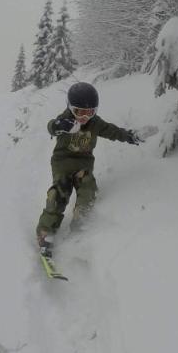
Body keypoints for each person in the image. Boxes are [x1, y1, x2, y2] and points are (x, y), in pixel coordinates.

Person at [36, 81, 141, 255]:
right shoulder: (66, 120)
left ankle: (81, 223)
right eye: (79, 112)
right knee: (60, 192)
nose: (84, 117)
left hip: (84, 164)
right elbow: (52, 126)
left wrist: (130, 136)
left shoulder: (95, 123)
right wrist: (58, 126)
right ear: (70, 108)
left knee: (88, 188)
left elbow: (112, 131)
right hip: (62, 163)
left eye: (89, 112)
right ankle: (45, 232)